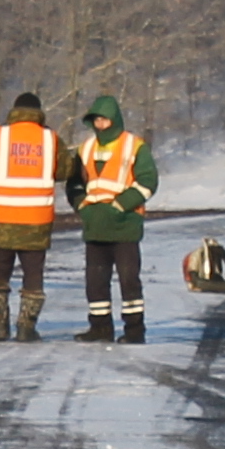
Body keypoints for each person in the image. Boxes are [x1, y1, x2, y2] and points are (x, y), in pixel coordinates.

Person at [66, 93, 160, 342]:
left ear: (115, 119)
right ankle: (100, 328)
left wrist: (120, 206)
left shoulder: (134, 145)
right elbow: (74, 184)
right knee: (95, 280)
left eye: (104, 120)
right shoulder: (85, 149)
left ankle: (134, 331)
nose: (100, 124)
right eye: (96, 120)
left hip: (125, 225)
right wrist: (82, 207)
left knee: (129, 280)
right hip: (95, 225)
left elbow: (148, 181)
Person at [0, 91, 60, 341]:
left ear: (14, 111)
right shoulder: (50, 139)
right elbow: (66, 167)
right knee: (33, 275)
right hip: (37, 219)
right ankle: (27, 328)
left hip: (1, 218)